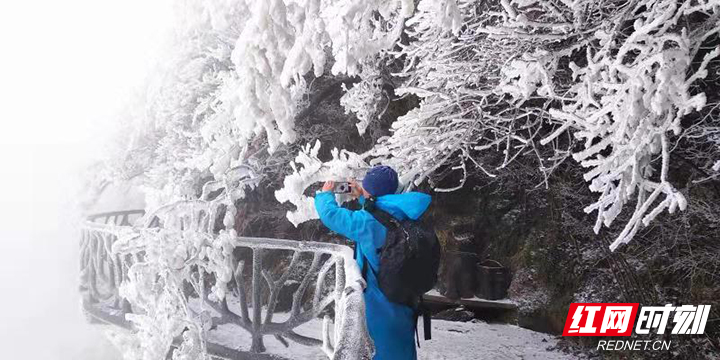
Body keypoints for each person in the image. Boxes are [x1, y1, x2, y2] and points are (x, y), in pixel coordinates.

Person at [314, 165, 432, 360]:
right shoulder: (404, 212)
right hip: (405, 301)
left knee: (381, 352)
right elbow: (381, 214)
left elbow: (332, 216)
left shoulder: (366, 223)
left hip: (380, 304)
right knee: (402, 350)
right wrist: (364, 197)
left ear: (371, 191)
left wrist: (325, 195)